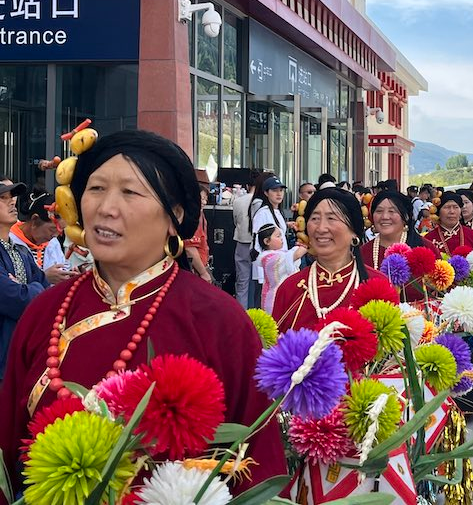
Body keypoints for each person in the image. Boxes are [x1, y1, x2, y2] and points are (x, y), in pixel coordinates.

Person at [0, 131, 284, 497]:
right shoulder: (46, 312)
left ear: (174, 216)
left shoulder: (218, 319)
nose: (106, 208)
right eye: (96, 189)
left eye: (130, 192)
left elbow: (258, 466)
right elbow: (8, 452)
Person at [273, 188, 387, 331]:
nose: (321, 228)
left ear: (354, 232)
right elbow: (275, 349)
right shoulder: (290, 289)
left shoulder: (378, 286)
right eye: (314, 218)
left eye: (331, 218)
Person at [0, 180, 49, 381]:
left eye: (12, 197)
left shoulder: (21, 251)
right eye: (3, 198)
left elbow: (47, 297)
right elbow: (17, 299)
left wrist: (27, 288)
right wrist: (29, 289)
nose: (12, 202)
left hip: (21, 360)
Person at [360, 190, 440, 302]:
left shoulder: (425, 249)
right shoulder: (363, 252)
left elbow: (440, 292)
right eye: (379, 211)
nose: (385, 216)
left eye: (392, 211)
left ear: (405, 216)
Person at [10, 191, 73, 284]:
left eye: (61, 230)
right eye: (52, 229)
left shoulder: (53, 243)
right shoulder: (9, 241)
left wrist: (70, 274)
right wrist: (45, 278)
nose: (55, 235)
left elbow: (62, 268)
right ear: (35, 220)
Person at [251, 176, 287, 307]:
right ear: (266, 193)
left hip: (278, 264)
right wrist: (261, 270)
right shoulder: (263, 213)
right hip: (268, 265)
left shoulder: (276, 211)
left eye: (281, 190)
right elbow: (257, 240)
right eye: (274, 190)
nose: (279, 194)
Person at [255, 224, 306, 314]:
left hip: (283, 296)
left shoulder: (281, 253)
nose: (281, 238)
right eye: (278, 236)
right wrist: (306, 244)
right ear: (267, 241)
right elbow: (296, 255)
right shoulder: (269, 259)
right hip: (274, 300)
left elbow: (292, 254)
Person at [232, 169, 260, 309]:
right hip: (259, 245)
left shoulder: (238, 201)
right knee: (258, 282)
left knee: (242, 283)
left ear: (247, 186)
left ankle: (241, 314)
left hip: (242, 242)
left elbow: (235, 221)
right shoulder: (262, 202)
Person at [184, 171, 212, 284]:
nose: (204, 202)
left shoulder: (200, 215)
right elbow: (190, 249)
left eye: (206, 199)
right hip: (194, 270)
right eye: (202, 199)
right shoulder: (191, 218)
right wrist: (203, 272)